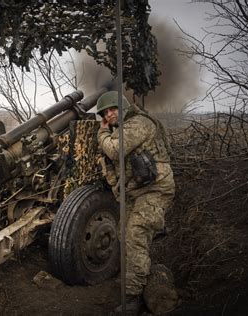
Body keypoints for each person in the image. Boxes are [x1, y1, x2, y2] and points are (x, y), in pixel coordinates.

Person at [96, 91, 175, 314]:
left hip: (155, 190)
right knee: (124, 234)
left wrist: (102, 132)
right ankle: (134, 279)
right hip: (138, 191)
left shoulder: (138, 123)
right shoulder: (122, 129)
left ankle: (133, 299)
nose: (109, 114)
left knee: (135, 236)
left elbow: (114, 149)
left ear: (124, 107)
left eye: (113, 109)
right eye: (105, 112)